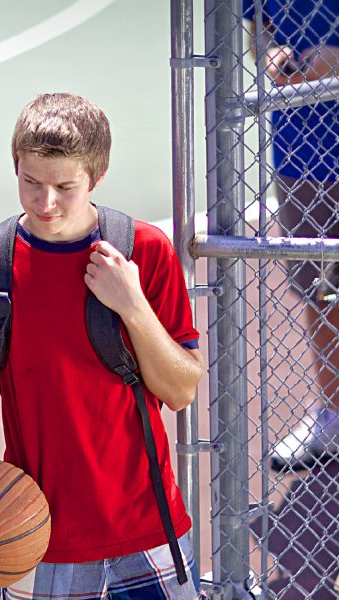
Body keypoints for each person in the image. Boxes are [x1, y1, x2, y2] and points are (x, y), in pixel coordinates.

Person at [0, 94, 205, 598]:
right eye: (31, 183)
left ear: (97, 175)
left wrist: (132, 305)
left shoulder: (144, 251)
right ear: (15, 166)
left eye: (65, 187)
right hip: (32, 537)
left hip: (149, 529)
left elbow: (181, 391)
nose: (45, 204)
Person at [244, 0, 339, 473]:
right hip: (302, 158)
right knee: (321, 291)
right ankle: (333, 415)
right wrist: (273, 54)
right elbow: (257, 30)